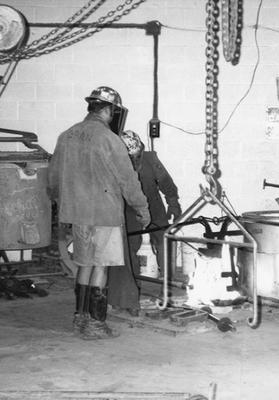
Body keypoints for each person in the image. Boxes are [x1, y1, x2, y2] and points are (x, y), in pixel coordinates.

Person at [48, 86, 150, 340]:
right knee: (101, 267)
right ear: (107, 110)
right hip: (105, 213)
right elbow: (128, 180)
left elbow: (52, 179)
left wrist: (62, 204)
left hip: (78, 213)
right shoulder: (109, 139)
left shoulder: (66, 136)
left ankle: (79, 318)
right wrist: (142, 208)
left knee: (84, 264)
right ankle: (95, 323)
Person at [117, 130, 182, 282]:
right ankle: (130, 284)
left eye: (136, 156)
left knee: (163, 239)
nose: (134, 159)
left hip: (153, 206)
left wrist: (173, 203)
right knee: (129, 245)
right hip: (129, 209)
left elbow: (166, 182)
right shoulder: (115, 163)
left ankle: (167, 281)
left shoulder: (150, 159)